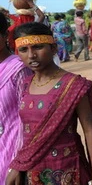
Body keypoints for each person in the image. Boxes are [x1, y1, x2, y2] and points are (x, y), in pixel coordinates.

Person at [6, 22, 92, 185]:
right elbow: (25, 132)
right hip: (32, 170)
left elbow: (90, 131)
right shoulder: (25, 85)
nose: (31, 55)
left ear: (54, 48)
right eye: (24, 50)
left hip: (67, 169)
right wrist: (18, 165)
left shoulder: (73, 85)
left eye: (38, 47)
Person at [0, 13, 32, 184]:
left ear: (5, 36)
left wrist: (18, 163)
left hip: (15, 150)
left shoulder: (19, 69)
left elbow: (29, 118)